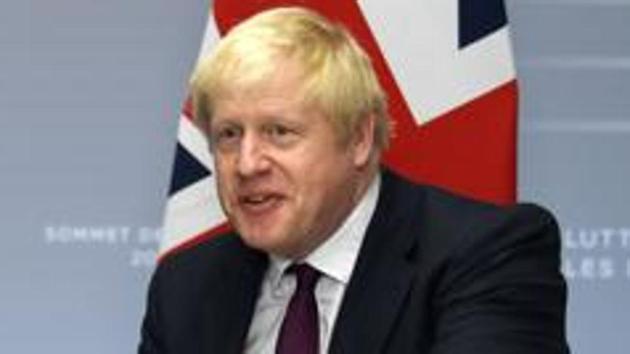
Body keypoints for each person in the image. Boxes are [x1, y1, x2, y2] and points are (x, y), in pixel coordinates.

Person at [139, 7, 569, 354]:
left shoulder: (488, 254)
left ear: (359, 138)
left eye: (279, 132)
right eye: (229, 135)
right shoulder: (185, 286)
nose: (247, 164)